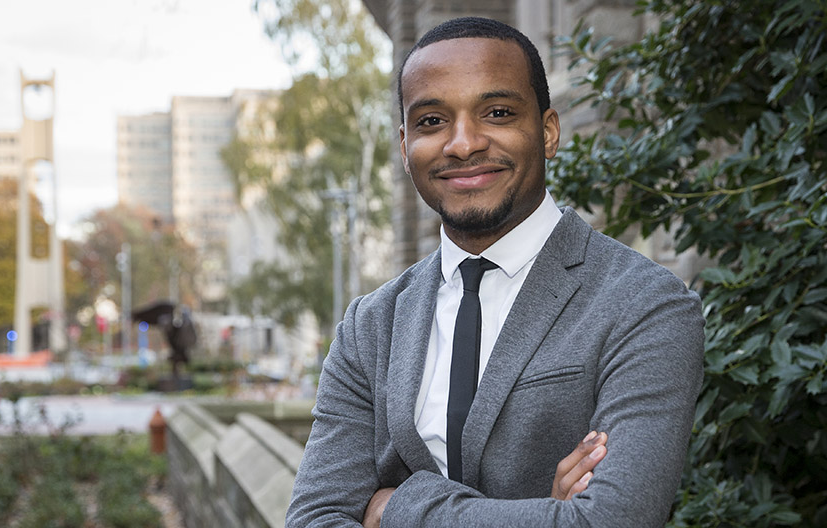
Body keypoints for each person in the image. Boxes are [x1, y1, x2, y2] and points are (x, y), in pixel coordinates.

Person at [286, 16, 705, 528]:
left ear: (548, 131)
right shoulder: (370, 326)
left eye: (498, 112)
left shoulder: (645, 305)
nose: (462, 144)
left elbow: (611, 521)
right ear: (403, 147)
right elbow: (314, 518)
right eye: (432, 121)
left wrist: (393, 507)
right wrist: (544, 513)